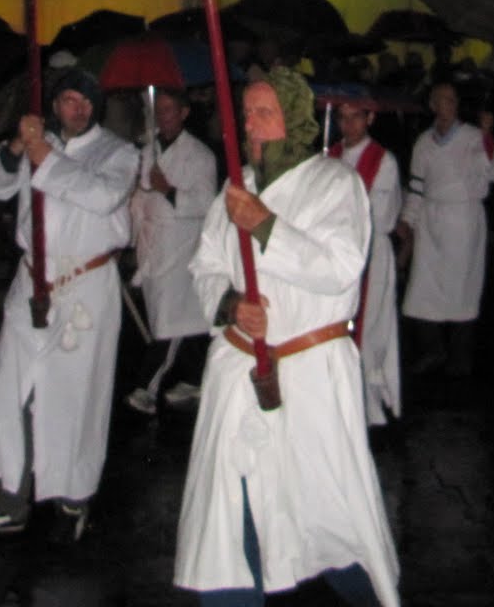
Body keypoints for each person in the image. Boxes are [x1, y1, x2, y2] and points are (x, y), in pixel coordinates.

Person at [174, 68, 399, 606]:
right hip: (237, 374)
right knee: (232, 520)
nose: (250, 124)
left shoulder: (335, 183)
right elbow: (205, 266)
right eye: (246, 114)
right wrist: (232, 305)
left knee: (328, 516)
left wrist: (267, 225)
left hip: (309, 376)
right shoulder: (236, 189)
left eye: (264, 113)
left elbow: (340, 267)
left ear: (296, 121)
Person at [0, 66, 135, 541]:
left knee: (73, 398)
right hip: (32, 282)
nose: (75, 109)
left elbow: (102, 197)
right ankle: (8, 498)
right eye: (67, 100)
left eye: (84, 101)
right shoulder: (39, 143)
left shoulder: (119, 152)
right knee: (6, 389)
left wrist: (45, 159)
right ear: (53, 105)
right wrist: (19, 149)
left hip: (86, 286)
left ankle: (74, 496)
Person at [395, 81, 494, 377]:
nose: (447, 104)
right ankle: (433, 350)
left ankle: (461, 356)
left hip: (463, 221)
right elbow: (417, 186)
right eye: (441, 99)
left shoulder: (472, 137)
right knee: (422, 288)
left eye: (451, 99)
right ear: (432, 105)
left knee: (461, 290)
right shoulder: (423, 143)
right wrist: (409, 219)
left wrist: (487, 136)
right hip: (432, 223)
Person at [126, 86, 218, 416]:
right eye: (159, 110)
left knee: (170, 322)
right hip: (152, 245)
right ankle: (194, 377)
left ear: (183, 113)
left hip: (180, 249)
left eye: (169, 110)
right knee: (179, 319)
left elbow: (207, 202)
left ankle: (145, 386)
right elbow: (138, 195)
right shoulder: (146, 149)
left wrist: (169, 190)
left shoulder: (201, 156)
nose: (163, 117)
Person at [328, 95, 403, 427]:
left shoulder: (383, 161)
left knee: (369, 332)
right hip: (334, 256)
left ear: (370, 117)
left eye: (356, 117)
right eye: (343, 118)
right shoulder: (329, 157)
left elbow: (382, 217)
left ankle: (369, 407)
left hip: (371, 255)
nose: (349, 125)